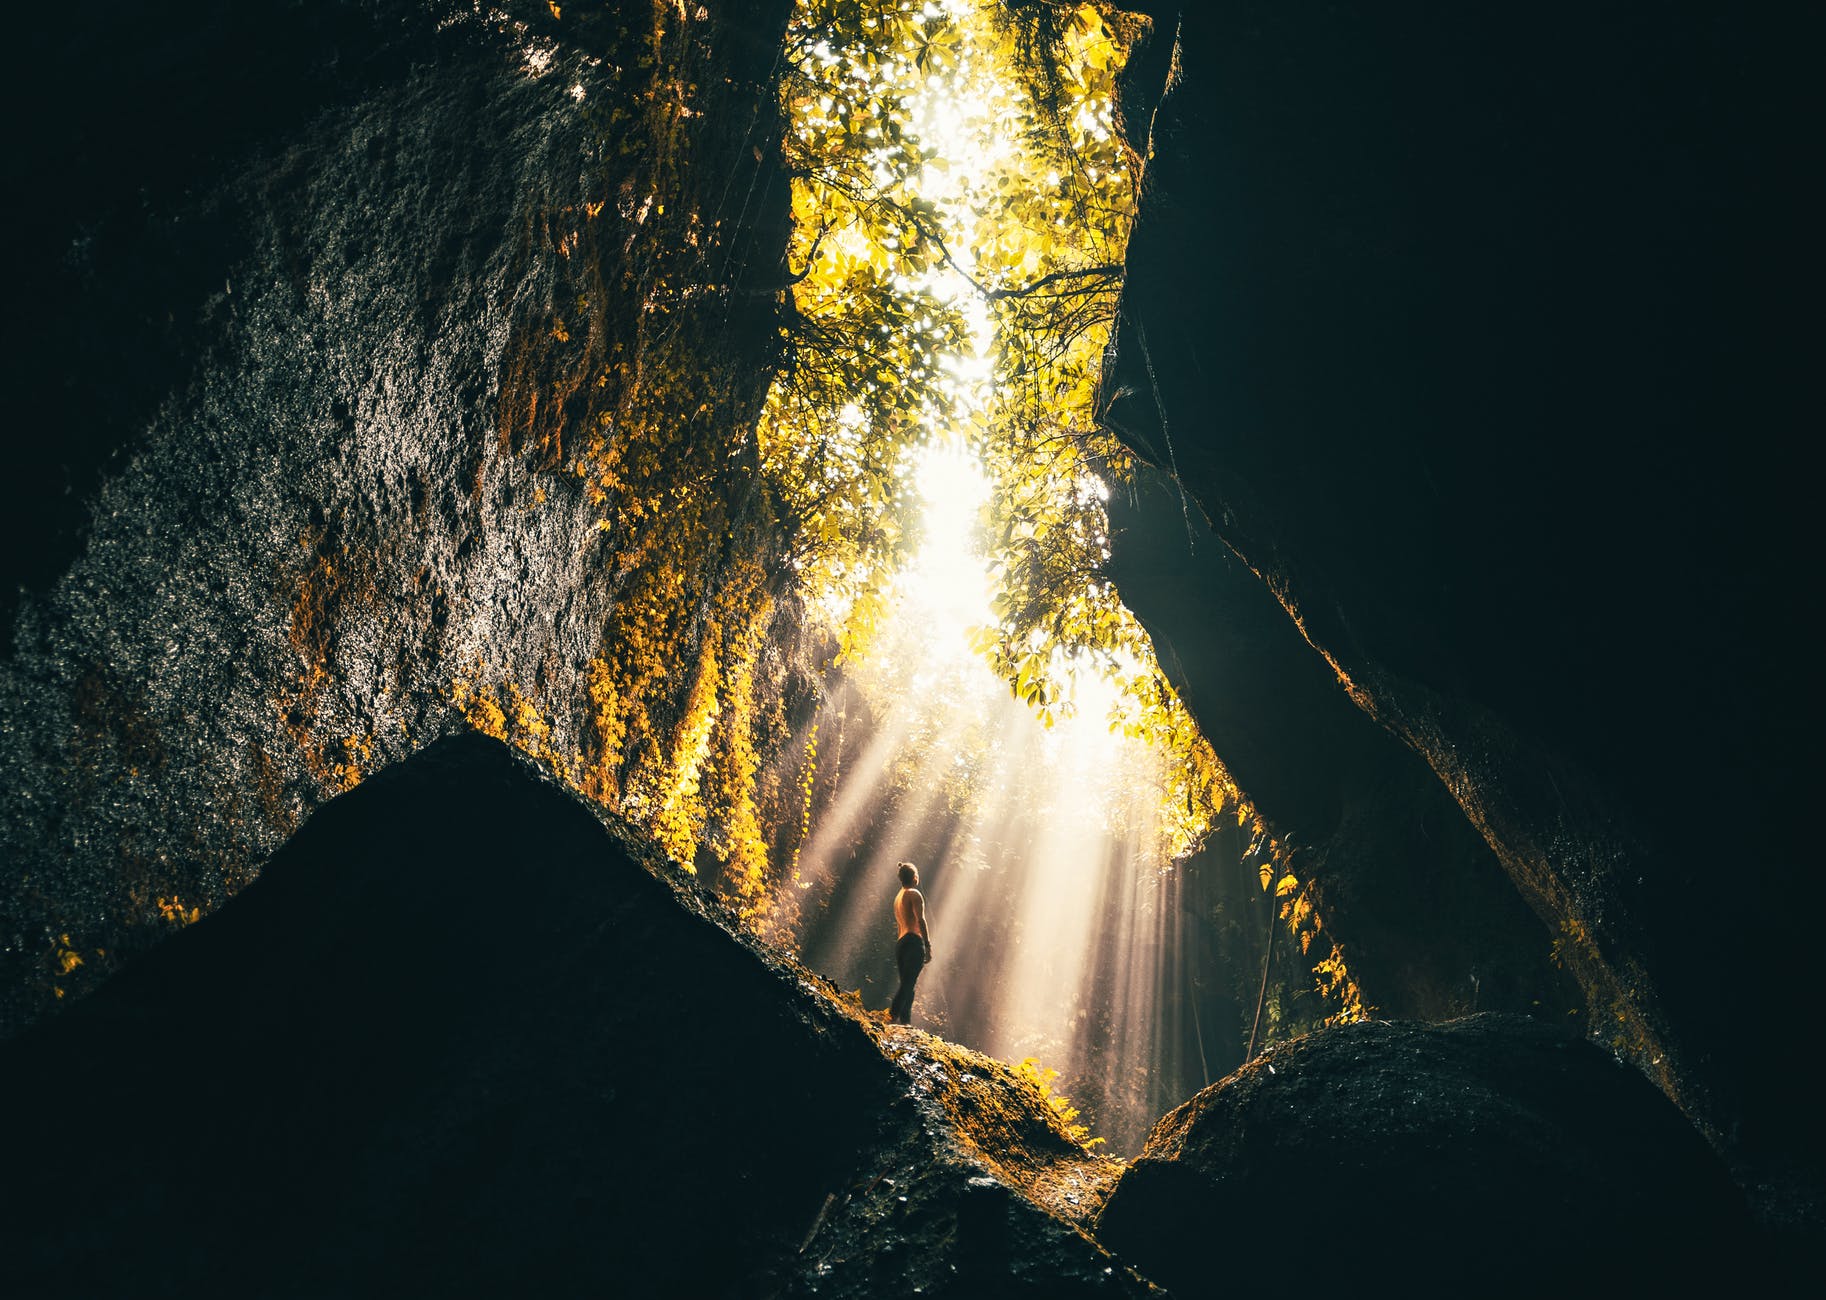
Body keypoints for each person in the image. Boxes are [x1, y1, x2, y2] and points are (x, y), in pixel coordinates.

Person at [887, 861, 932, 1026]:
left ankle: (905, 1022)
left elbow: (900, 924)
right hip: (913, 941)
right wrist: (927, 945)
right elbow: (921, 920)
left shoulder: (898, 898)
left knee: (908, 985)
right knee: (907, 984)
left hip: (900, 943)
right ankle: (890, 1016)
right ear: (915, 877)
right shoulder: (914, 894)